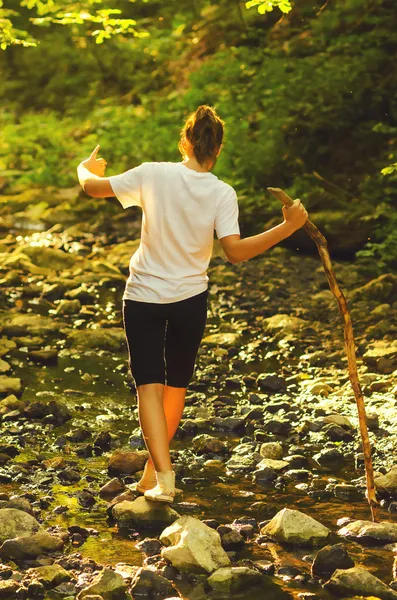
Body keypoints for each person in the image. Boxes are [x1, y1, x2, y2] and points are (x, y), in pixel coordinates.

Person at [77, 104, 308, 503]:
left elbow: (91, 189)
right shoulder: (222, 192)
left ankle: (161, 474)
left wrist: (87, 168)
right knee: (176, 385)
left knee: (147, 386)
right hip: (190, 300)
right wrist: (287, 227)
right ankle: (156, 472)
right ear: (217, 150)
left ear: (184, 140)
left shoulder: (152, 173)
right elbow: (235, 252)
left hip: (144, 295)